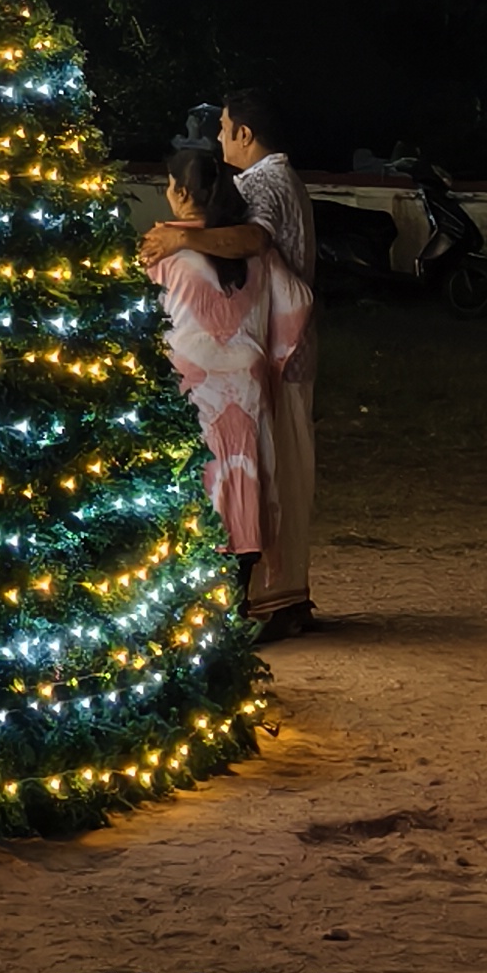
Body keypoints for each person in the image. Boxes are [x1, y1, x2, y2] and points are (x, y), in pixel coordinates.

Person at [140, 85, 320, 640]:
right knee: (261, 485)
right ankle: (275, 599)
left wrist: (178, 241)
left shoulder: (259, 187)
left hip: (214, 381)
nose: (219, 138)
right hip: (257, 370)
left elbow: (252, 241)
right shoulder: (276, 190)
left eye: (222, 128)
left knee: (221, 488)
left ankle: (263, 604)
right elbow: (293, 296)